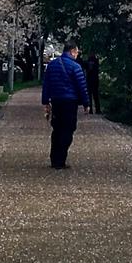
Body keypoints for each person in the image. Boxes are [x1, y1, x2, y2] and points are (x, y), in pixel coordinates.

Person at [40, 39, 90, 169]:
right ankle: (61, 159)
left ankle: (54, 159)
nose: (77, 55)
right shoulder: (75, 67)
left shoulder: (52, 65)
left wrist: (46, 102)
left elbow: (46, 85)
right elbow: (82, 87)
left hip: (56, 101)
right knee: (68, 129)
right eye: (77, 52)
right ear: (72, 51)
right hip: (70, 102)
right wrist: (86, 103)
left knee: (57, 129)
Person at [81, 50, 102, 115]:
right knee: (96, 96)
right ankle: (97, 110)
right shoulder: (96, 61)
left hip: (89, 80)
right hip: (95, 80)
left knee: (89, 96)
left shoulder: (87, 62)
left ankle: (90, 110)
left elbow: (82, 65)